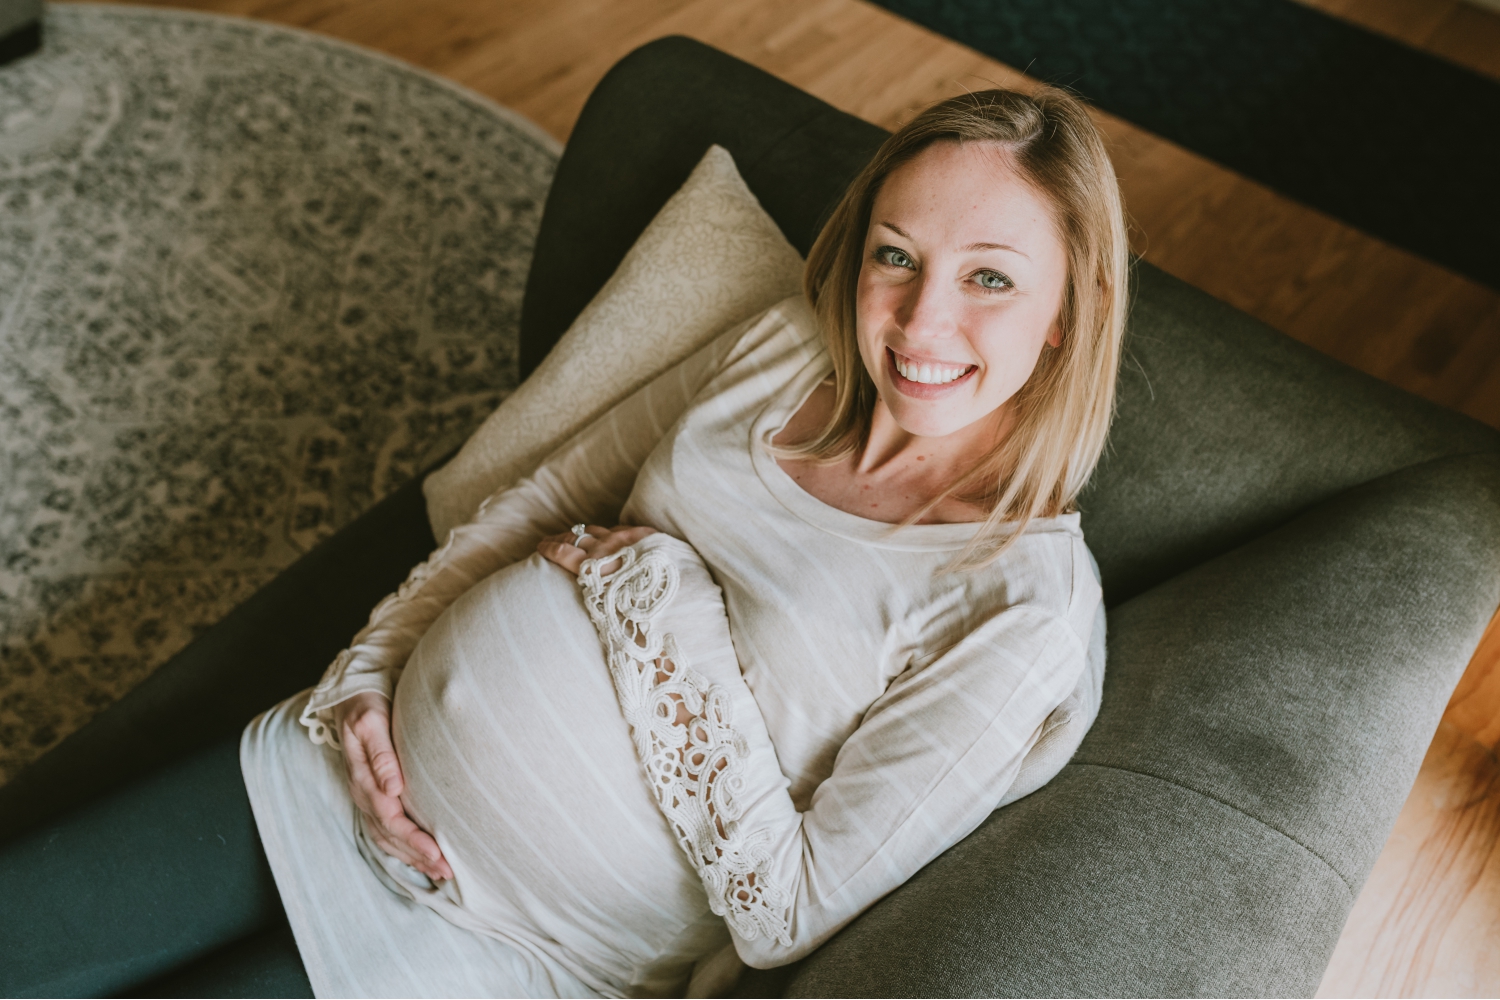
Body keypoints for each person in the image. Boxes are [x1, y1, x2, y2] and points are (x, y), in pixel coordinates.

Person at [7, 85, 1127, 999]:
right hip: (339, 768)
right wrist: (365, 674)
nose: (923, 321)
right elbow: (543, 501)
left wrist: (660, 589)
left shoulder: (1023, 606)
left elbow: (789, 910)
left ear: (1068, 309)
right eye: (896, 256)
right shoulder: (785, 348)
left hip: (507, 954)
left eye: (990, 277)